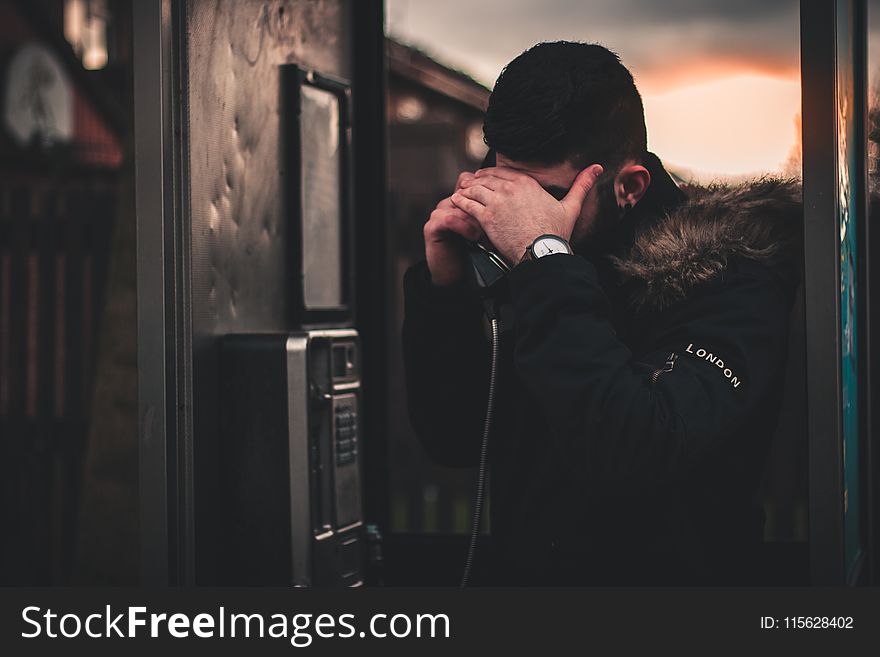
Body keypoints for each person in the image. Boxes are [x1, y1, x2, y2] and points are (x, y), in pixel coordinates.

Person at [401, 41, 802, 585]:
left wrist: (544, 257)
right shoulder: (539, 268)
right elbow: (452, 438)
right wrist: (445, 290)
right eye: (509, 186)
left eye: (546, 194)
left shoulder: (731, 278)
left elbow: (635, 450)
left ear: (629, 187)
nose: (520, 214)